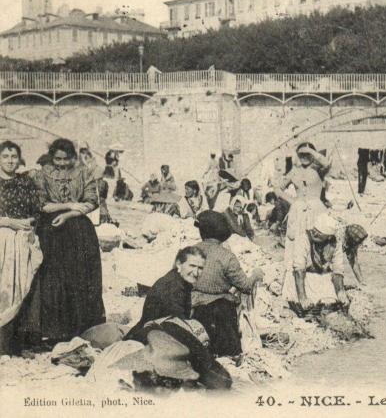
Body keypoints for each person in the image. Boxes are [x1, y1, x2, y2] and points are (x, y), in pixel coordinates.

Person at [17, 138, 105, 345]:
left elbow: (92, 201)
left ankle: (82, 328)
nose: (62, 163)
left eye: (66, 159)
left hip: (79, 232)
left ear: (73, 157)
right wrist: (69, 206)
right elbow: (41, 204)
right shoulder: (42, 173)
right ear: (52, 157)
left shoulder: (85, 172)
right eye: (58, 159)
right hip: (52, 231)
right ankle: (54, 331)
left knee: (81, 278)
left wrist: (68, 213)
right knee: (54, 280)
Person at [191, 211, 264, 357]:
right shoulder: (227, 257)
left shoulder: (190, 252)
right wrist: (256, 275)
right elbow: (246, 286)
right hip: (218, 311)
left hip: (192, 307)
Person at [0, 141, 44, 355]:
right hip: (2, 239)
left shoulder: (25, 182)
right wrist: (9, 222)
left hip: (23, 238)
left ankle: (21, 342)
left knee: (26, 285)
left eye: (13, 156)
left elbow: (36, 210)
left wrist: (28, 222)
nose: (10, 160)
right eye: (5, 156)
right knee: (5, 288)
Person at [125, 246, 206, 343]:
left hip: (154, 333)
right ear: (179, 264)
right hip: (150, 339)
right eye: (192, 266)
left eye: (200, 268)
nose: (196, 272)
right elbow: (179, 326)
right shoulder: (173, 286)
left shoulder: (178, 280)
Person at [275, 142, 331, 265]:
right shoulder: (294, 171)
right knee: (297, 241)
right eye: (302, 154)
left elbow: (327, 163)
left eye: (308, 154)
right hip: (298, 210)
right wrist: (292, 201)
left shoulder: (318, 170)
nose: (304, 157)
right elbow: (277, 189)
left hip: (316, 209)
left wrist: (310, 151)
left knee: (318, 241)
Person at [283, 213, 350, 311]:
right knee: (302, 301)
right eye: (314, 231)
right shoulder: (303, 238)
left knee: (331, 300)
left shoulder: (335, 243)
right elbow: (299, 268)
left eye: (319, 234)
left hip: (321, 278)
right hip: (303, 278)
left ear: (328, 237)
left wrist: (340, 292)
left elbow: (338, 269)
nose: (314, 234)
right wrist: (302, 297)